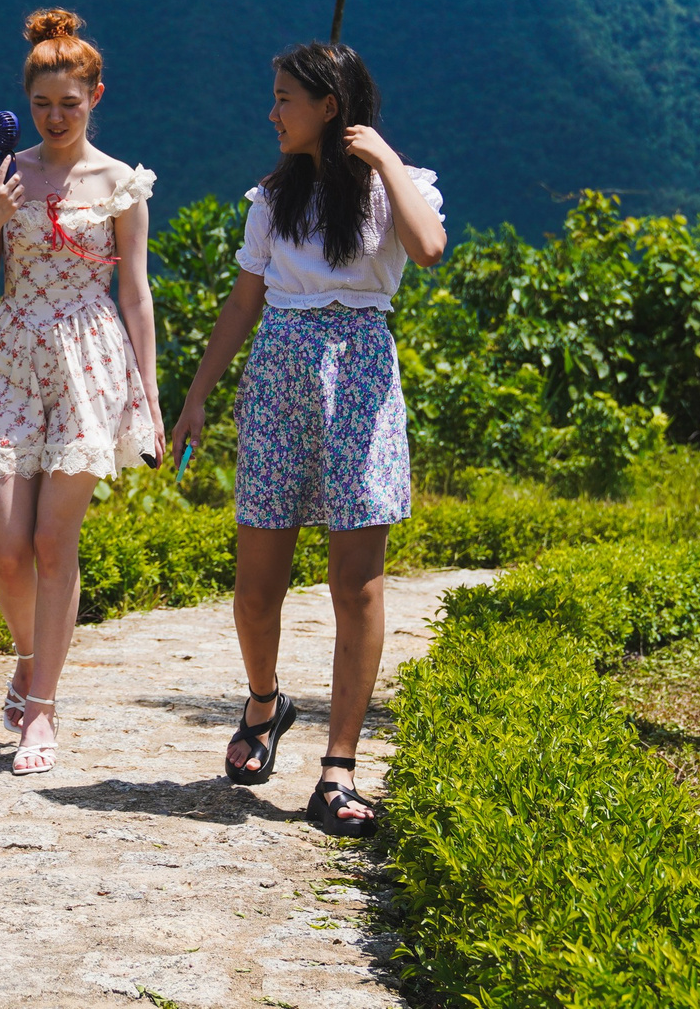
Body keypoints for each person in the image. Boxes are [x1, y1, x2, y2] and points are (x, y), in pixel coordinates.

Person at [163, 41, 445, 833]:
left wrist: (385, 157)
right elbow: (241, 301)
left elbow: (429, 250)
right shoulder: (271, 197)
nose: (273, 110)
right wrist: (196, 399)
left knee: (356, 582)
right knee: (256, 587)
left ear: (330, 105)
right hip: (279, 376)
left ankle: (339, 768)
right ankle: (265, 701)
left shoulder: (399, 190)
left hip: (360, 374)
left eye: (286, 97)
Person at [0, 8, 161, 776]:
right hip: (14, 354)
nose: (54, 117)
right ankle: (29, 659)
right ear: (25, 102)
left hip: (90, 359)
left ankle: (41, 710)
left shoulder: (121, 184)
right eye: (42, 104)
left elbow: (137, 294)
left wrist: (148, 395)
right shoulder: (3, 177)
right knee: (8, 553)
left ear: (96, 95)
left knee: (53, 541)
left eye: (69, 103)